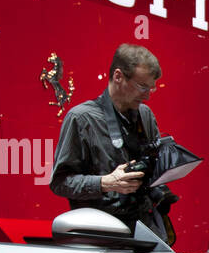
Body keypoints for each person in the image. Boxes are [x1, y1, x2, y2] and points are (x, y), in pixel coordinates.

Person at [50, 44, 177, 241]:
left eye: (151, 88)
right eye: (142, 87)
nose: (148, 95)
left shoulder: (145, 115)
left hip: (145, 228)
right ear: (118, 76)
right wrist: (106, 183)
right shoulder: (82, 118)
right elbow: (60, 183)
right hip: (101, 234)